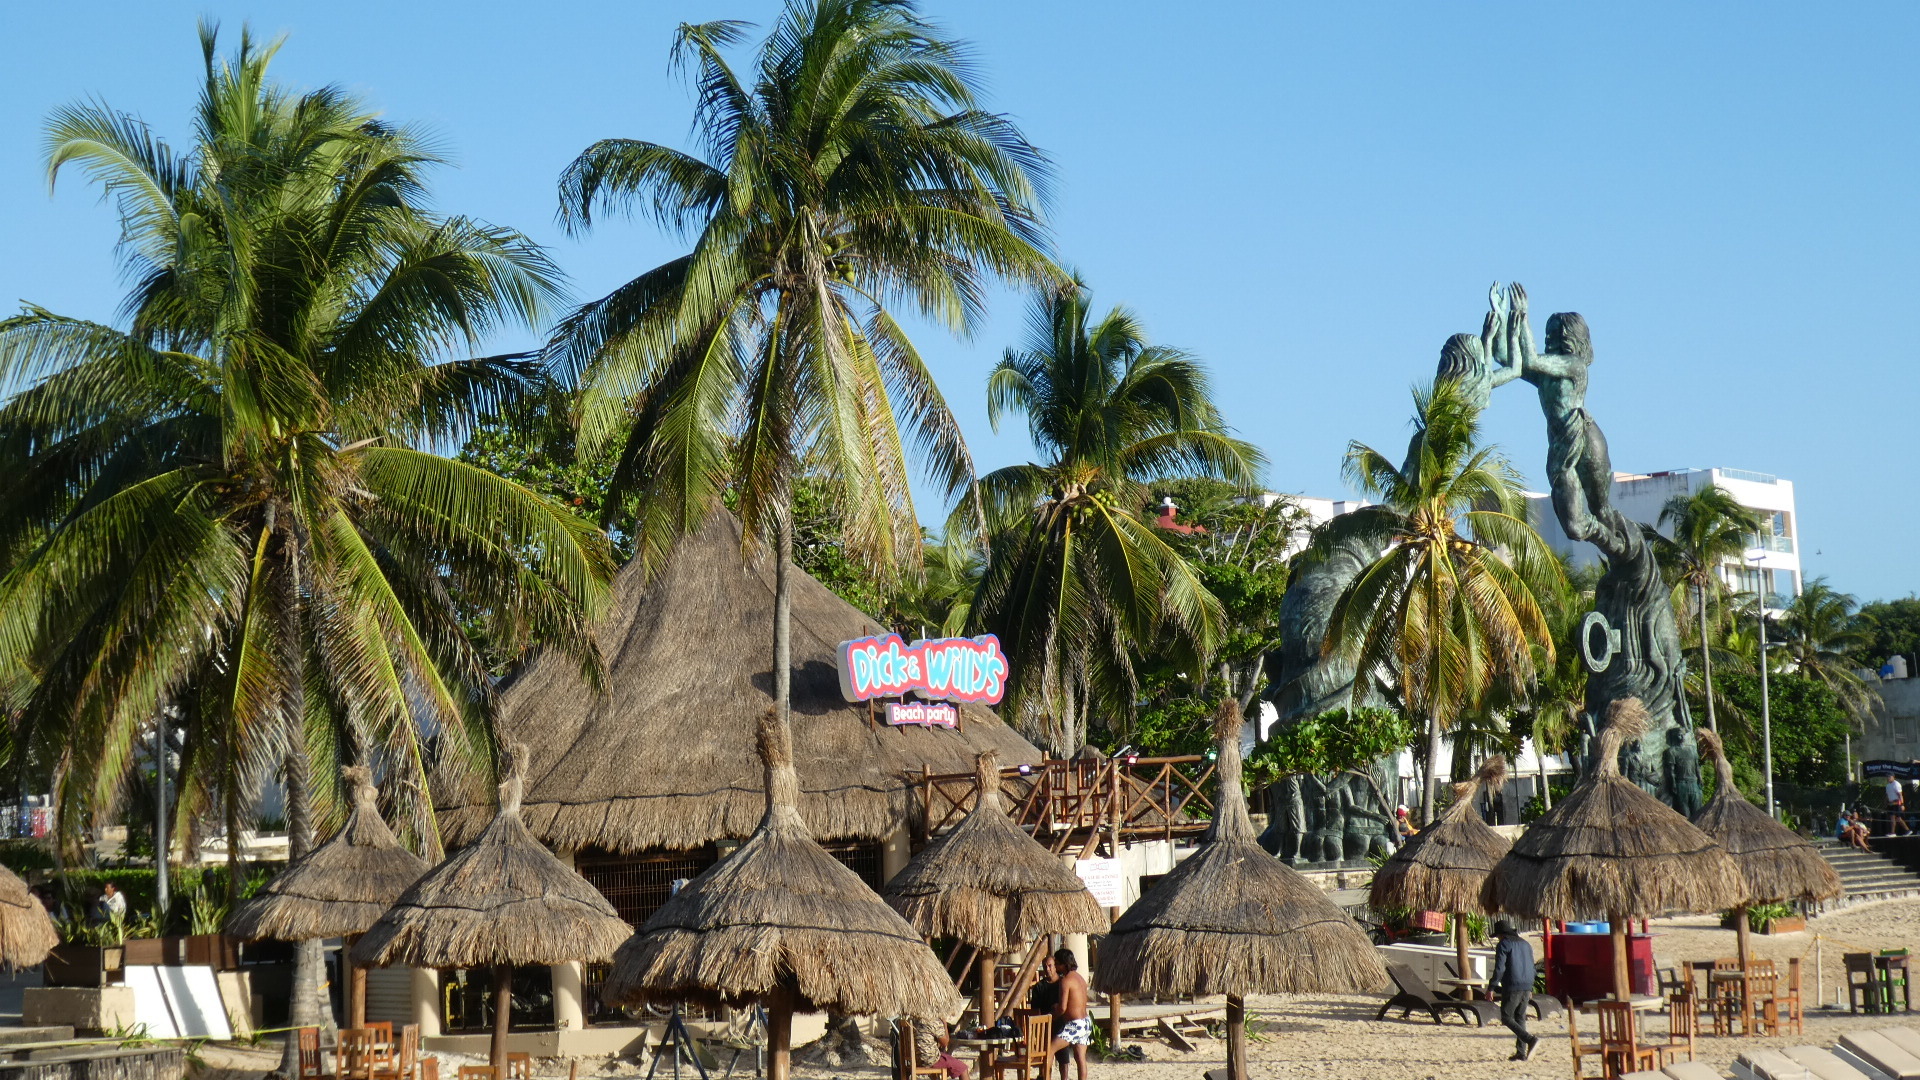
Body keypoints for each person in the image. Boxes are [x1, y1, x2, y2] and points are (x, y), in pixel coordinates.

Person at [1489, 920, 1538, 1061]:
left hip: (1512, 985)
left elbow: (1500, 968)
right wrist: (1530, 986)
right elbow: (1532, 967)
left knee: (1506, 1017)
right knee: (1520, 1017)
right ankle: (1521, 1052)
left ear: (1501, 935)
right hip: (1527, 984)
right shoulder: (1526, 944)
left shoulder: (1504, 944)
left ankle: (1530, 1039)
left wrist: (1491, 987)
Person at [1048, 948, 1090, 1080]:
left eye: (1057, 964)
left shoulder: (1065, 981)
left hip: (1075, 1025)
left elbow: (1062, 1008)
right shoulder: (1080, 978)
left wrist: (1051, 1018)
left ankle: (1045, 1077)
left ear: (1063, 964)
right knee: (1080, 1057)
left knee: (1049, 1050)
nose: (1055, 967)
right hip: (1085, 1022)